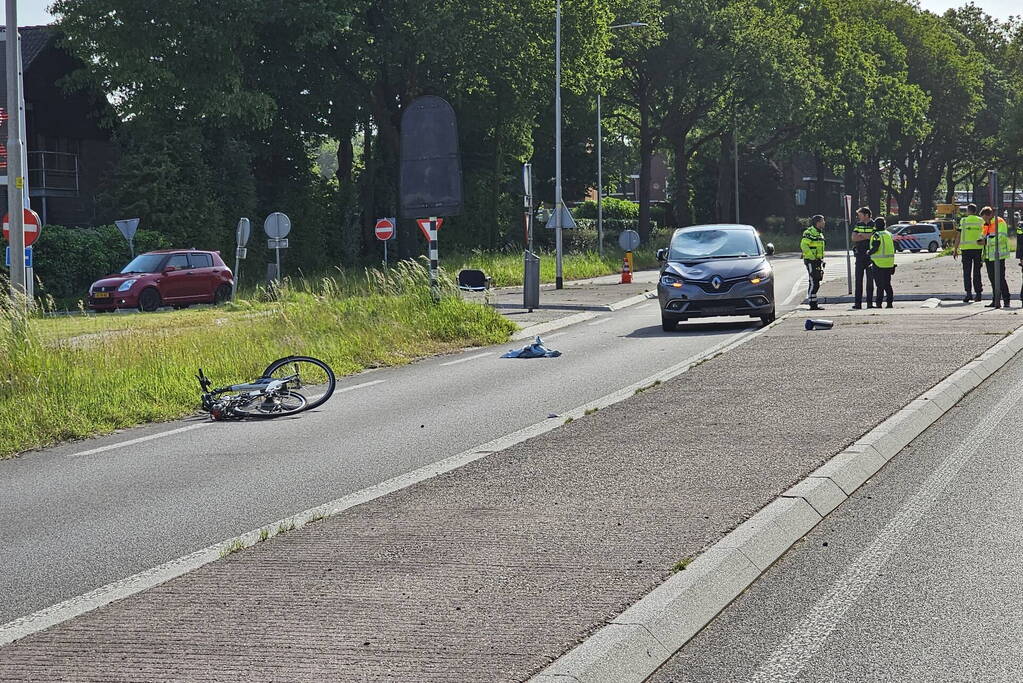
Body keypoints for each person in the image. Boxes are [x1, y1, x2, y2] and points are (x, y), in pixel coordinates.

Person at [953, 203, 984, 302]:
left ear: (968, 211)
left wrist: (955, 249)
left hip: (966, 250)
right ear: (975, 211)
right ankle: (978, 294)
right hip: (978, 249)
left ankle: (968, 293)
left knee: (967, 273)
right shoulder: (981, 221)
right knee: (977, 272)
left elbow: (958, 236)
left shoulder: (964, 220)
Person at [980, 206, 1010, 308]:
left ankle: (1006, 300)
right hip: (989, 256)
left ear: (990, 215)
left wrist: (986, 242)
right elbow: (984, 236)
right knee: (992, 279)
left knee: (1000, 279)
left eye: (985, 218)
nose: (984, 220)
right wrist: (981, 241)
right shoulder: (986, 224)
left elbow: (1001, 238)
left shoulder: (999, 222)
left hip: (998, 256)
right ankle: (995, 300)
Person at [869, 217, 896, 308]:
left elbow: (876, 247)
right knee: (887, 285)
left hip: (878, 263)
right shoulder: (889, 234)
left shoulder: (876, 235)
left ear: (875, 225)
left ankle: (879, 303)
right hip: (889, 263)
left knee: (879, 285)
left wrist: (868, 253)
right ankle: (889, 303)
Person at [800, 215, 826, 310]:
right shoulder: (809, 232)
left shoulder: (819, 233)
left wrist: (820, 259)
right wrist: (812, 257)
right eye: (822, 221)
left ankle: (814, 302)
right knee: (813, 281)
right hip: (811, 261)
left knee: (816, 281)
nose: (824, 222)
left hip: (817, 261)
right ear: (817, 222)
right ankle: (812, 304)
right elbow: (804, 245)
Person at [851, 207, 875, 308]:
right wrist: (866, 235)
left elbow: (873, 237)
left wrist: (861, 234)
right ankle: (857, 304)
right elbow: (853, 238)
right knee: (858, 280)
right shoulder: (858, 224)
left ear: (866, 215)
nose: (858, 217)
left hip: (871, 255)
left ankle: (869, 303)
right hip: (859, 255)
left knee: (870, 280)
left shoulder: (874, 224)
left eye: (860, 215)